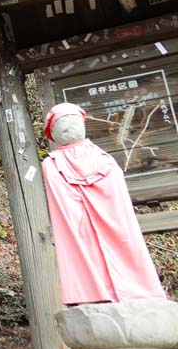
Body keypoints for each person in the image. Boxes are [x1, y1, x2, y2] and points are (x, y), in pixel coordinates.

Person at [42, 102, 168, 305]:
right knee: (98, 241)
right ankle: (106, 291)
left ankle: (96, 292)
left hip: (97, 224)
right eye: (62, 125)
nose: (68, 128)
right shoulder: (97, 161)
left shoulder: (59, 164)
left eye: (71, 123)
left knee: (94, 242)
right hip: (95, 226)